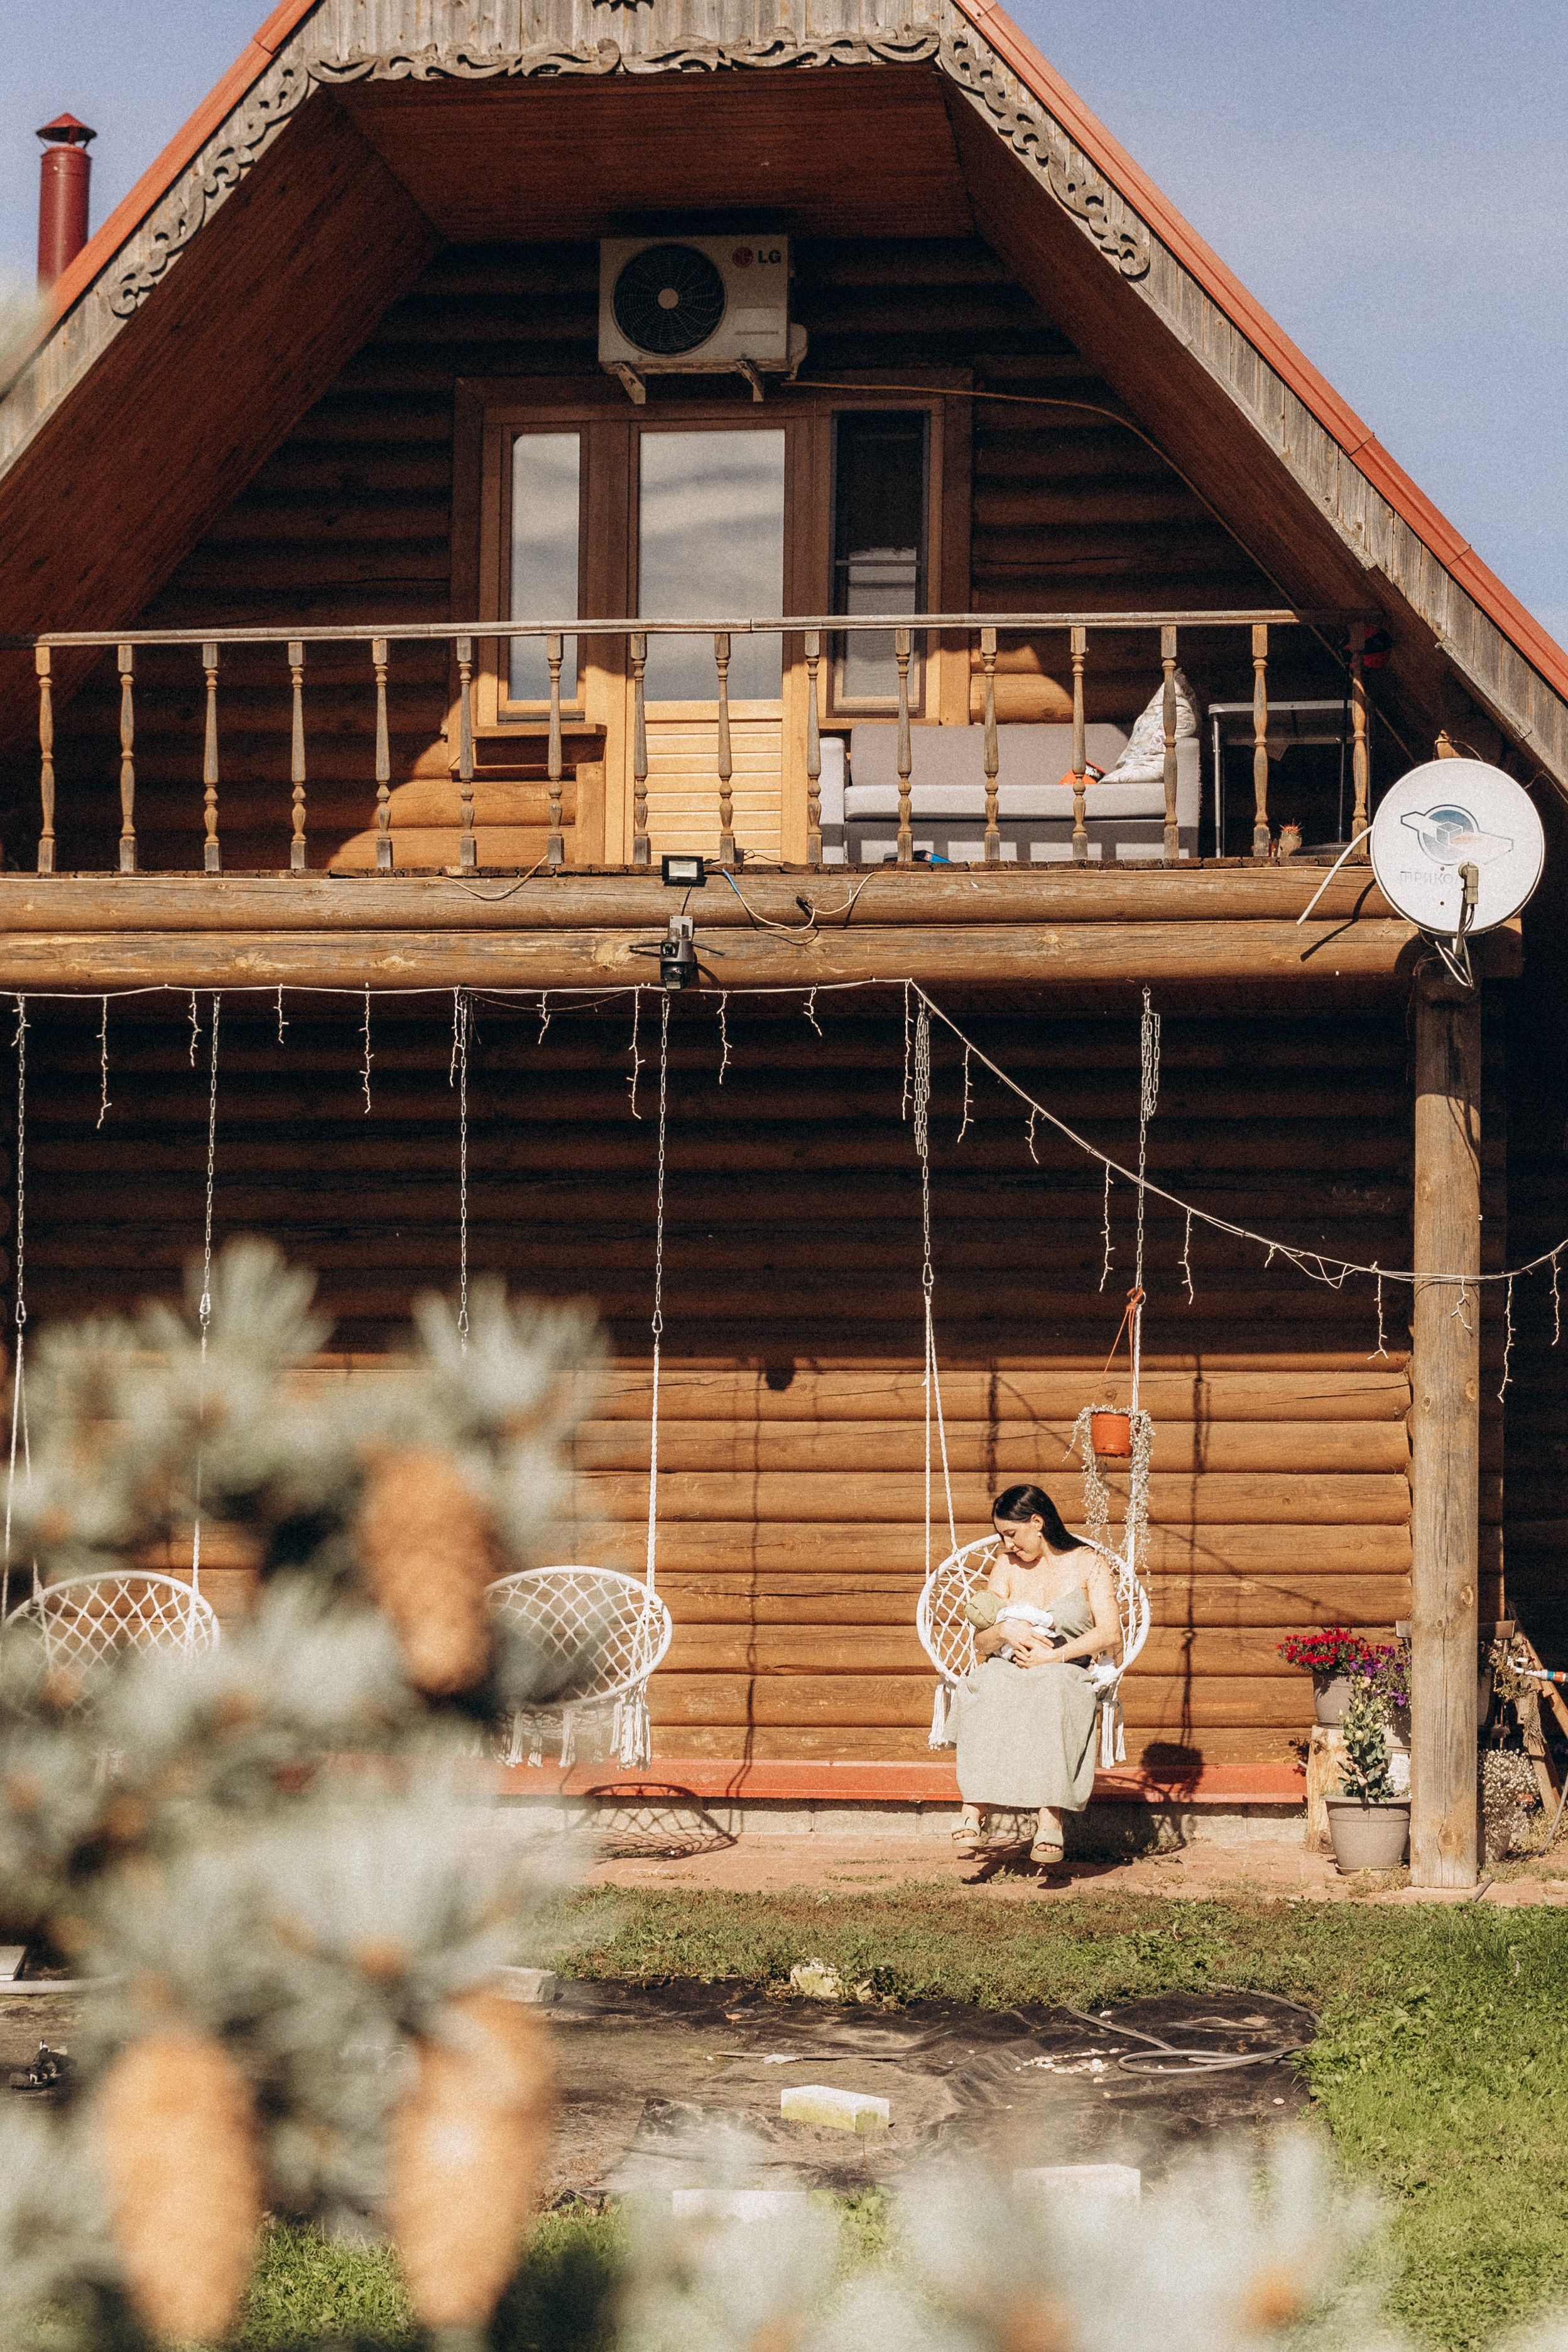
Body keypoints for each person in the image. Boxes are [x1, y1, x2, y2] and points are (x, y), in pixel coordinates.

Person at [946, 1482, 1121, 1869]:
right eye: (1001, 1536)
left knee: (1053, 1693)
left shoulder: (1089, 1562)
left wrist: (1054, 1657)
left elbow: (1110, 1633)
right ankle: (973, 1810)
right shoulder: (1007, 1566)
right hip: (1009, 1666)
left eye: (1011, 1533)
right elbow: (982, 1640)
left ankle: (1049, 1822)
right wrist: (1005, 1632)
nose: (1007, 1544)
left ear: (1037, 1522)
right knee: (983, 1687)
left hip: (1064, 1668)